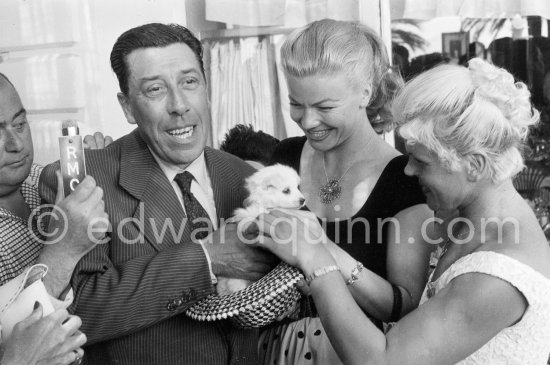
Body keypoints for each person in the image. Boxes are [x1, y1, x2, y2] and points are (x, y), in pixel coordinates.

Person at [257, 58, 550, 364]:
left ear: (474, 166)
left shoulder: (500, 273)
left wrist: (315, 257)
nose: (408, 170)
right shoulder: (472, 222)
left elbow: (382, 361)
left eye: (421, 161)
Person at [39, 23, 276, 365]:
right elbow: (76, 313)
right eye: (155, 89)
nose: (179, 105)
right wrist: (205, 259)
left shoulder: (243, 175)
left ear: (206, 89)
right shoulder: (82, 180)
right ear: (127, 107)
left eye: (189, 82)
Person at [259, 19, 434, 364]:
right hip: (273, 349)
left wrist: (323, 253)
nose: (307, 121)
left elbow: (403, 304)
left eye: (324, 107)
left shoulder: (404, 178)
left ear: (365, 93)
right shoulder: (285, 156)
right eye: (296, 104)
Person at [0, 73, 107, 364]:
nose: (16, 144)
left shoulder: (45, 179)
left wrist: (102, 178)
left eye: (20, 124)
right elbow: (16, 346)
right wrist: (62, 249)